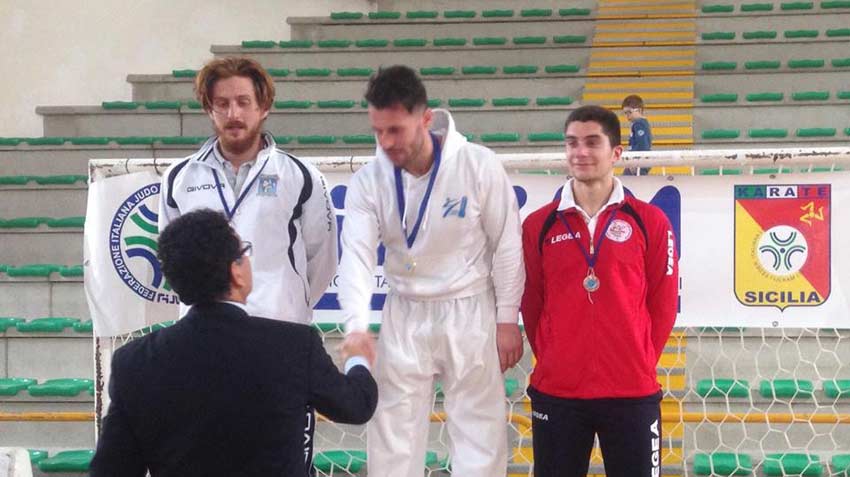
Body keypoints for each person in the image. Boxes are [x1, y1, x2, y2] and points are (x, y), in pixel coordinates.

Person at [336, 65, 525, 477]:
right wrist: (355, 324)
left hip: (469, 307)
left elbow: (507, 244)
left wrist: (507, 317)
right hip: (404, 310)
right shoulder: (369, 181)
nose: (385, 142)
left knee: (479, 435)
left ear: (425, 118)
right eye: (377, 131)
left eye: (395, 130)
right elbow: (356, 256)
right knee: (392, 437)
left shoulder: (478, 165)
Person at [90, 209, 378, 477]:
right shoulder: (293, 346)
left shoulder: (135, 362)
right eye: (244, 252)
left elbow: (112, 469)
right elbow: (357, 406)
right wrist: (358, 358)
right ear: (236, 271)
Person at [520, 105, 678, 477]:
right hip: (558, 392)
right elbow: (532, 303)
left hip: (631, 393)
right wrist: (560, 356)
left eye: (593, 142)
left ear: (617, 153)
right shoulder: (537, 225)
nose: (581, 152)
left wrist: (635, 358)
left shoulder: (650, 220)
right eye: (572, 143)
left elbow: (664, 303)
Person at [159, 57, 336, 323]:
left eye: (243, 102)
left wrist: (288, 301)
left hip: (279, 327)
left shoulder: (301, 176)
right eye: (222, 104)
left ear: (263, 107)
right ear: (209, 109)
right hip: (205, 330)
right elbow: (173, 256)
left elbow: (322, 260)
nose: (233, 114)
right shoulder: (179, 177)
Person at [622, 94, 652, 175]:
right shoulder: (638, 124)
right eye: (625, 113)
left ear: (638, 110)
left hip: (638, 162)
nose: (627, 116)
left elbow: (643, 144)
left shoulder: (639, 124)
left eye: (629, 112)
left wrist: (635, 161)